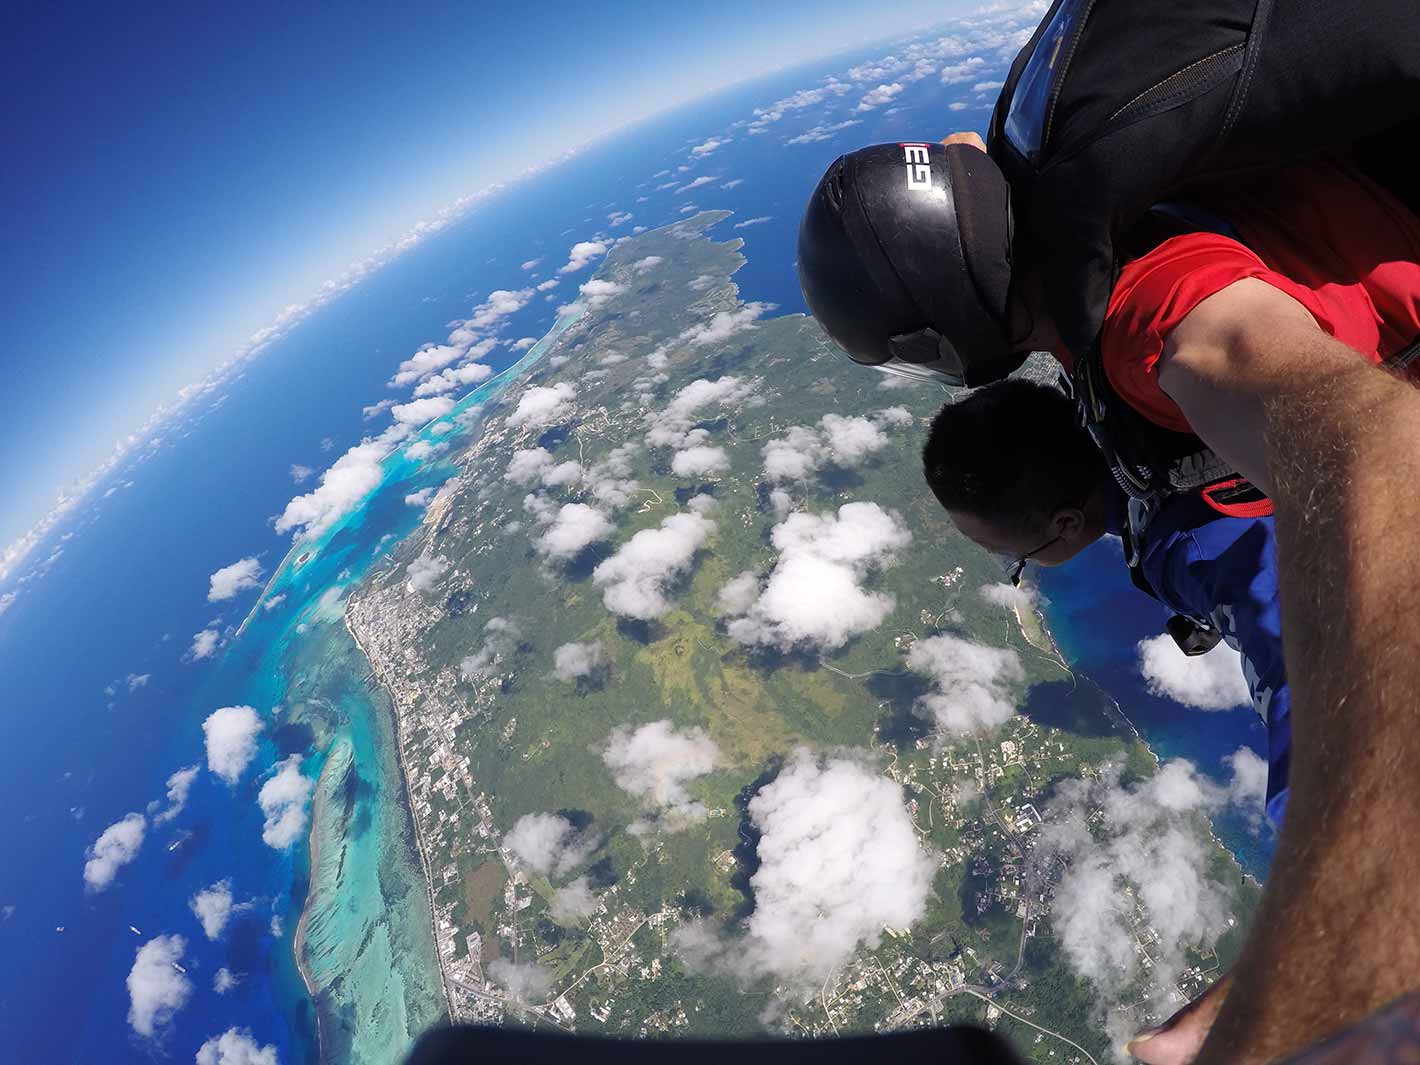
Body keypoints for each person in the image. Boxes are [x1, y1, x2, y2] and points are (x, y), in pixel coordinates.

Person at [797, 134, 1420, 1063]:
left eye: (1022, 556)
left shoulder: (1153, 334)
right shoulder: (1097, 265)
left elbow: (1362, 458)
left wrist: (1327, 966)